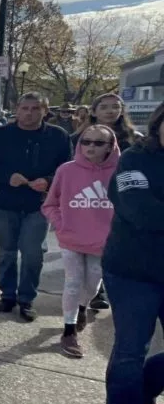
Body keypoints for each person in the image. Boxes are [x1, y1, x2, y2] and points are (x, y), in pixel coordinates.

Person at [101, 102, 164, 404]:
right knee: (130, 349)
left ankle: (144, 391)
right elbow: (140, 210)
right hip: (131, 271)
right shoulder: (134, 160)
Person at [0, 94, 73, 321]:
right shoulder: (0, 135)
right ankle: (7, 295)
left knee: (32, 253)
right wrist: (6, 177)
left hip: (38, 205)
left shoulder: (58, 136)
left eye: (35, 108)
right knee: (7, 252)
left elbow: (67, 168)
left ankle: (27, 298)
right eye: (25, 108)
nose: (29, 113)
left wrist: (48, 181)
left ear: (45, 111)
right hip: (6, 202)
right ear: (17, 110)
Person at [41, 124, 119, 358]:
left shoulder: (120, 171)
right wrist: (60, 222)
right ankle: (68, 330)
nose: (90, 147)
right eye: (86, 141)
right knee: (73, 282)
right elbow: (50, 203)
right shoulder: (66, 170)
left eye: (98, 143)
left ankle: (83, 308)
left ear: (110, 146)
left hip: (103, 240)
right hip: (71, 238)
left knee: (93, 283)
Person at [70, 93, 143, 310]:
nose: (110, 111)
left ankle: (108, 288)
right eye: (104, 107)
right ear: (94, 111)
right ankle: (94, 293)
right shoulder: (79, 138)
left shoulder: (134, 139)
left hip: (122, 200)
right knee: (88, 249)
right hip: (90, 198)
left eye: (115, 106)